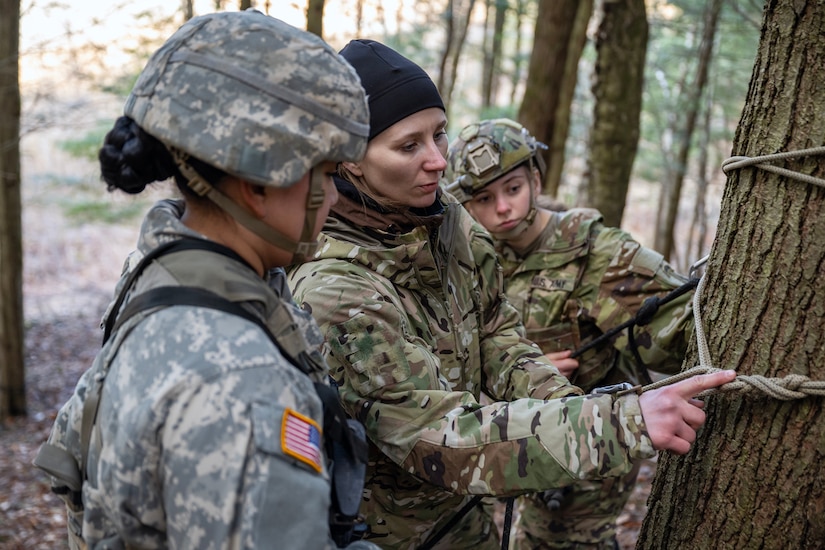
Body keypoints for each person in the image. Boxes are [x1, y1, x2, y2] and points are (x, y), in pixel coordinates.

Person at [285, 39, 733, 549]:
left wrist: (566, 409)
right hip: (388, 534)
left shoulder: (449, 223)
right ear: (350, 160)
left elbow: (498, 335)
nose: (436, 161)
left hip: (462, 517)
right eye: (408, 146)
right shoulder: (335, 290)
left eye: (439, 134)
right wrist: (619, 423)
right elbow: (437, 436)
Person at [33, 11, 378, 549]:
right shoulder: (243, 380)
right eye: (328, 173)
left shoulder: (160, 277)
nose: (334, 198)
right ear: (257, 181)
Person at [444, 117, 697, 549]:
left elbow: (680, 334)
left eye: (513, 189)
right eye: (484, 199)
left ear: (536, 180)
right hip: (521, 440)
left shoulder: (593, 251)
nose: (502, 208)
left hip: (597, 438)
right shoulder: (475, 260)